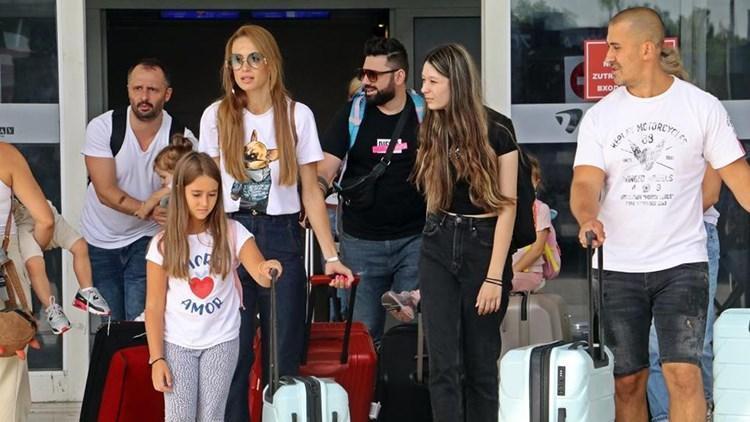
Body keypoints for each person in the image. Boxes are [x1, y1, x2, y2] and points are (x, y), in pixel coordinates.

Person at [570, 7, 750, 422]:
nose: (607, 58)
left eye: (616, 47)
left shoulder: (701, 107)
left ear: (647, 49)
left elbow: (739, 179)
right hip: (617, 267)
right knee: (628, 381)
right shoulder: (600, 117)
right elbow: (584, 183)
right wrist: (587, 217)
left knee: (683, 375)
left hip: (682, 262)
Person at [197, 24, 352, 421]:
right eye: (236, 60)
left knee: (282, 354)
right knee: (230, 352)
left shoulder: (296, 114)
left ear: (271, 63)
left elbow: (311, 191)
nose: (244, 67)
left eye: (254, 58)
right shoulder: (216, 115)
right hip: (230, 231)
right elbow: (206, 188)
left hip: (282, 232)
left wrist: (331, 255)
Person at [413, 44, 518, 422]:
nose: (423, 88)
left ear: (455, 83)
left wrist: (494, 276)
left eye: (432, 81)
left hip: (484, 241)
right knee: (442, 364)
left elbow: (508, 205)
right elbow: (431, 194)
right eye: (423, 80)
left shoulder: (498, 129)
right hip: (439, 237)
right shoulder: (432, 126)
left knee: (480, 365)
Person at [144, 152, 281, 421]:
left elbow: (260, 272)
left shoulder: (233, 231)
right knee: (179, 417)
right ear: (180, 192)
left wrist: (268, 269)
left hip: (221, 340)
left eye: (212, 194)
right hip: (177, 343)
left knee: (212, 416)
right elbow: (154, 306)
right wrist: (156, 358)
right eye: (196, 194)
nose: (205, 202)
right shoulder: (162, 244)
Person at [318, 37, 426, 343]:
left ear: (399, 76)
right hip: (361, 241)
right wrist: (316, 188)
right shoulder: (353, 113)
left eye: (374, 75)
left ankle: (403, 374)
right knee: (362, 335)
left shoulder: (424, 114)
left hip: (414, 238)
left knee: (410, 329)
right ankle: (370, 376)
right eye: (363, 73)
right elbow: (325, 168)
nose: (366, 81)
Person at [82, 58, 195, 321]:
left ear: (167, 94)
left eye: (152, 90)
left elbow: (193, 189)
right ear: (128, 90)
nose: (144, 97)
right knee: (109, 324)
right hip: (100, 237)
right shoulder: (104, 127)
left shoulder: (181, 138)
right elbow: (104, 191)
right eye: (137, 88)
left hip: (148, 237)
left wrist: (173, 211)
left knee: (140, 318)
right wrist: (151, 210)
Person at [647, 167, 723, 421]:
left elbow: (710, 193)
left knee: (695, 343)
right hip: (643, 242)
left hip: (693, 236)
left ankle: (704, 413)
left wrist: (666, 224)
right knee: (655, 346)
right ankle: (662, 417)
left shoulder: (707, 137)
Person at [0, 141, 53, 422]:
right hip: (5, 269)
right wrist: (27, 254)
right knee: (8, 369)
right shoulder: (6, 155)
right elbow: (45, 220)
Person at [13, 198, 111, 335]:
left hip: (43, 210)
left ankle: (86, 291)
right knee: (34, 263)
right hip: (20, 222)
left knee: (80, 245)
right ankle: (51, 309)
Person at [510, 154, 555, 292]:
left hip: (528, 273)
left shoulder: (540, 209)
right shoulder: (504, 209)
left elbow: (537, 250)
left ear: (536, 182)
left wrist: (511, 272)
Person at [134, 134, 194, 219]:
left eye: (163, 177)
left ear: (177, 172)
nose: (162, 182)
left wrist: (143, 211)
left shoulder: (174, 185)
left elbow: (156, 196)